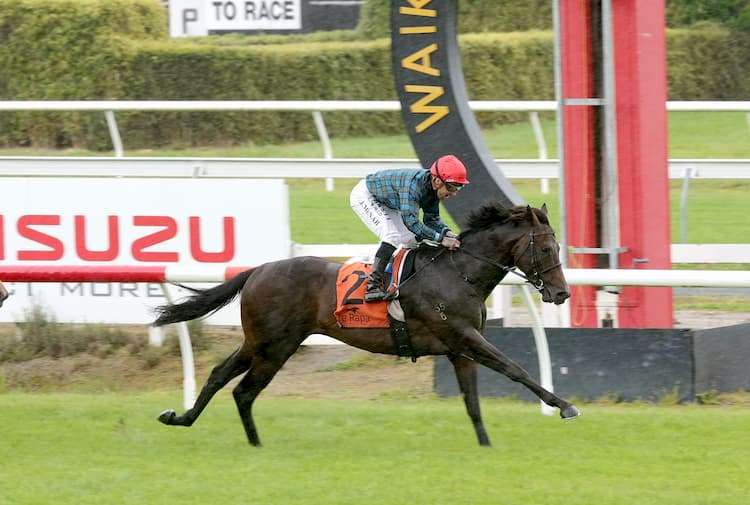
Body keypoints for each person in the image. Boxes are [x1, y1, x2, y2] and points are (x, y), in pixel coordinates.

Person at [349, 154, 469, 302]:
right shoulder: (413, 187)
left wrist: (448, 233)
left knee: (412, 240)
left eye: (459, 187)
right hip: (366, 196)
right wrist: (441, 239)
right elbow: (411, 223)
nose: (454, 193)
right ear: (437, 181)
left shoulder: (432, 187)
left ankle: (400, 281)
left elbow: (431, 219)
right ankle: (372, 286)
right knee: (392, 236)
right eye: (451, 187)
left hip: (387, 201)